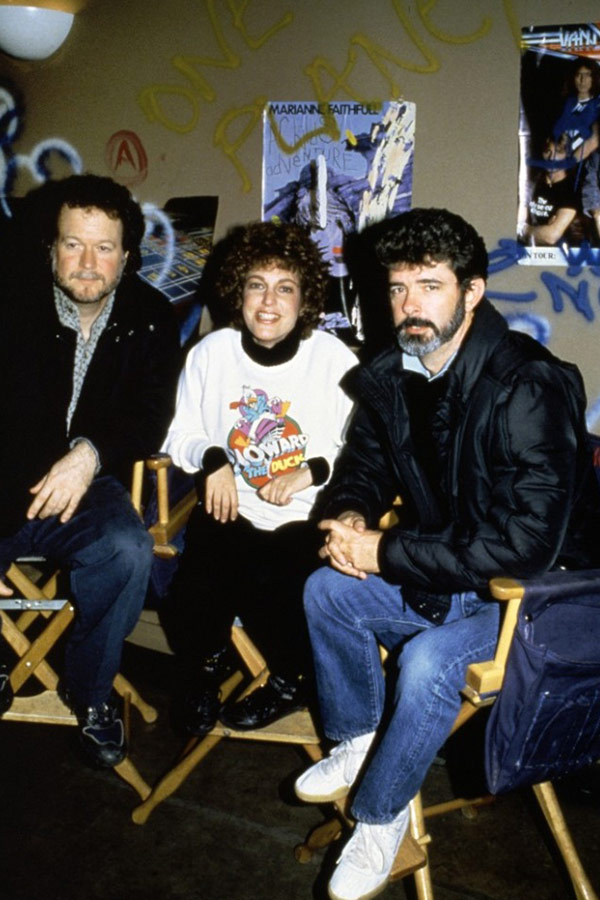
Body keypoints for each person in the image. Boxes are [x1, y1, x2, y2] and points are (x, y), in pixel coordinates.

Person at [294, 207, 600, 900]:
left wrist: (386, 550)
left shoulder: (529, 385)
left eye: (430, 286)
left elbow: (526, 546)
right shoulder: (395, 372)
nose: (411, 305)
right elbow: (364, 466)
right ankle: (361, 747)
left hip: (545, 600)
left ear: (472, 291)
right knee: (327, 592)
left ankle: (378, 819)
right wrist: (351, 516)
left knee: (430, 662)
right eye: (398, 287)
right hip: (452, 575)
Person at [0, 174, 181, 768]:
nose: (86, 263)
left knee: (127, 550)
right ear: (51, 247)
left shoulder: (152, 318)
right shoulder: (11, 303)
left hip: (91, 484)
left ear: (126, 256)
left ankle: (91, 690)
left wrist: (87, 455)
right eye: (73, 244)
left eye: (104, 248)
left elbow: (150, 415)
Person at [161, 221, 355, 735]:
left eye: (284, 288)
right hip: (233, 509)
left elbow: (363, 449)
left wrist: (310, 471)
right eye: (256, 285)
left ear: (304, 299)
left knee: (277, 586)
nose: (269, 302)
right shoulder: (211, 353)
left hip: (307, 516)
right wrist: (213, 459)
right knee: (192, 591)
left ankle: (290, 681)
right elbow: (180, 433)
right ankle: (206, 669)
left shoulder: (333, 360)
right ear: (238, 292)